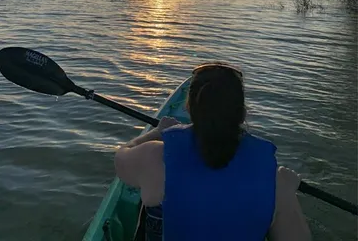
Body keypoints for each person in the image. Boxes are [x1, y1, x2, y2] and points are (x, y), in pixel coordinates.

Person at [114, 63, 312, 241]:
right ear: (242, 114)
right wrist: (287, 192)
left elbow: (121, 158)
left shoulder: (154, 157)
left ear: (189, 108)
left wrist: (156, 133)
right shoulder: (275, 182)